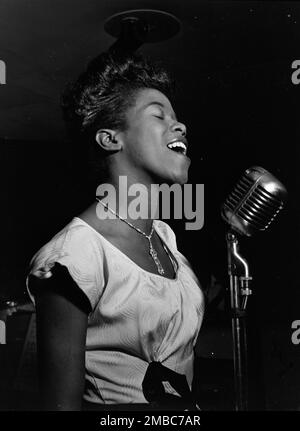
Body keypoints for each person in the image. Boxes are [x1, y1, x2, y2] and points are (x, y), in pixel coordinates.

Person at [26, 52, 205, 411]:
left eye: (176, 116)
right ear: (110, 139)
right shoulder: (75, 255)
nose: (179, 125)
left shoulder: (165, 239)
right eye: (158, 115)